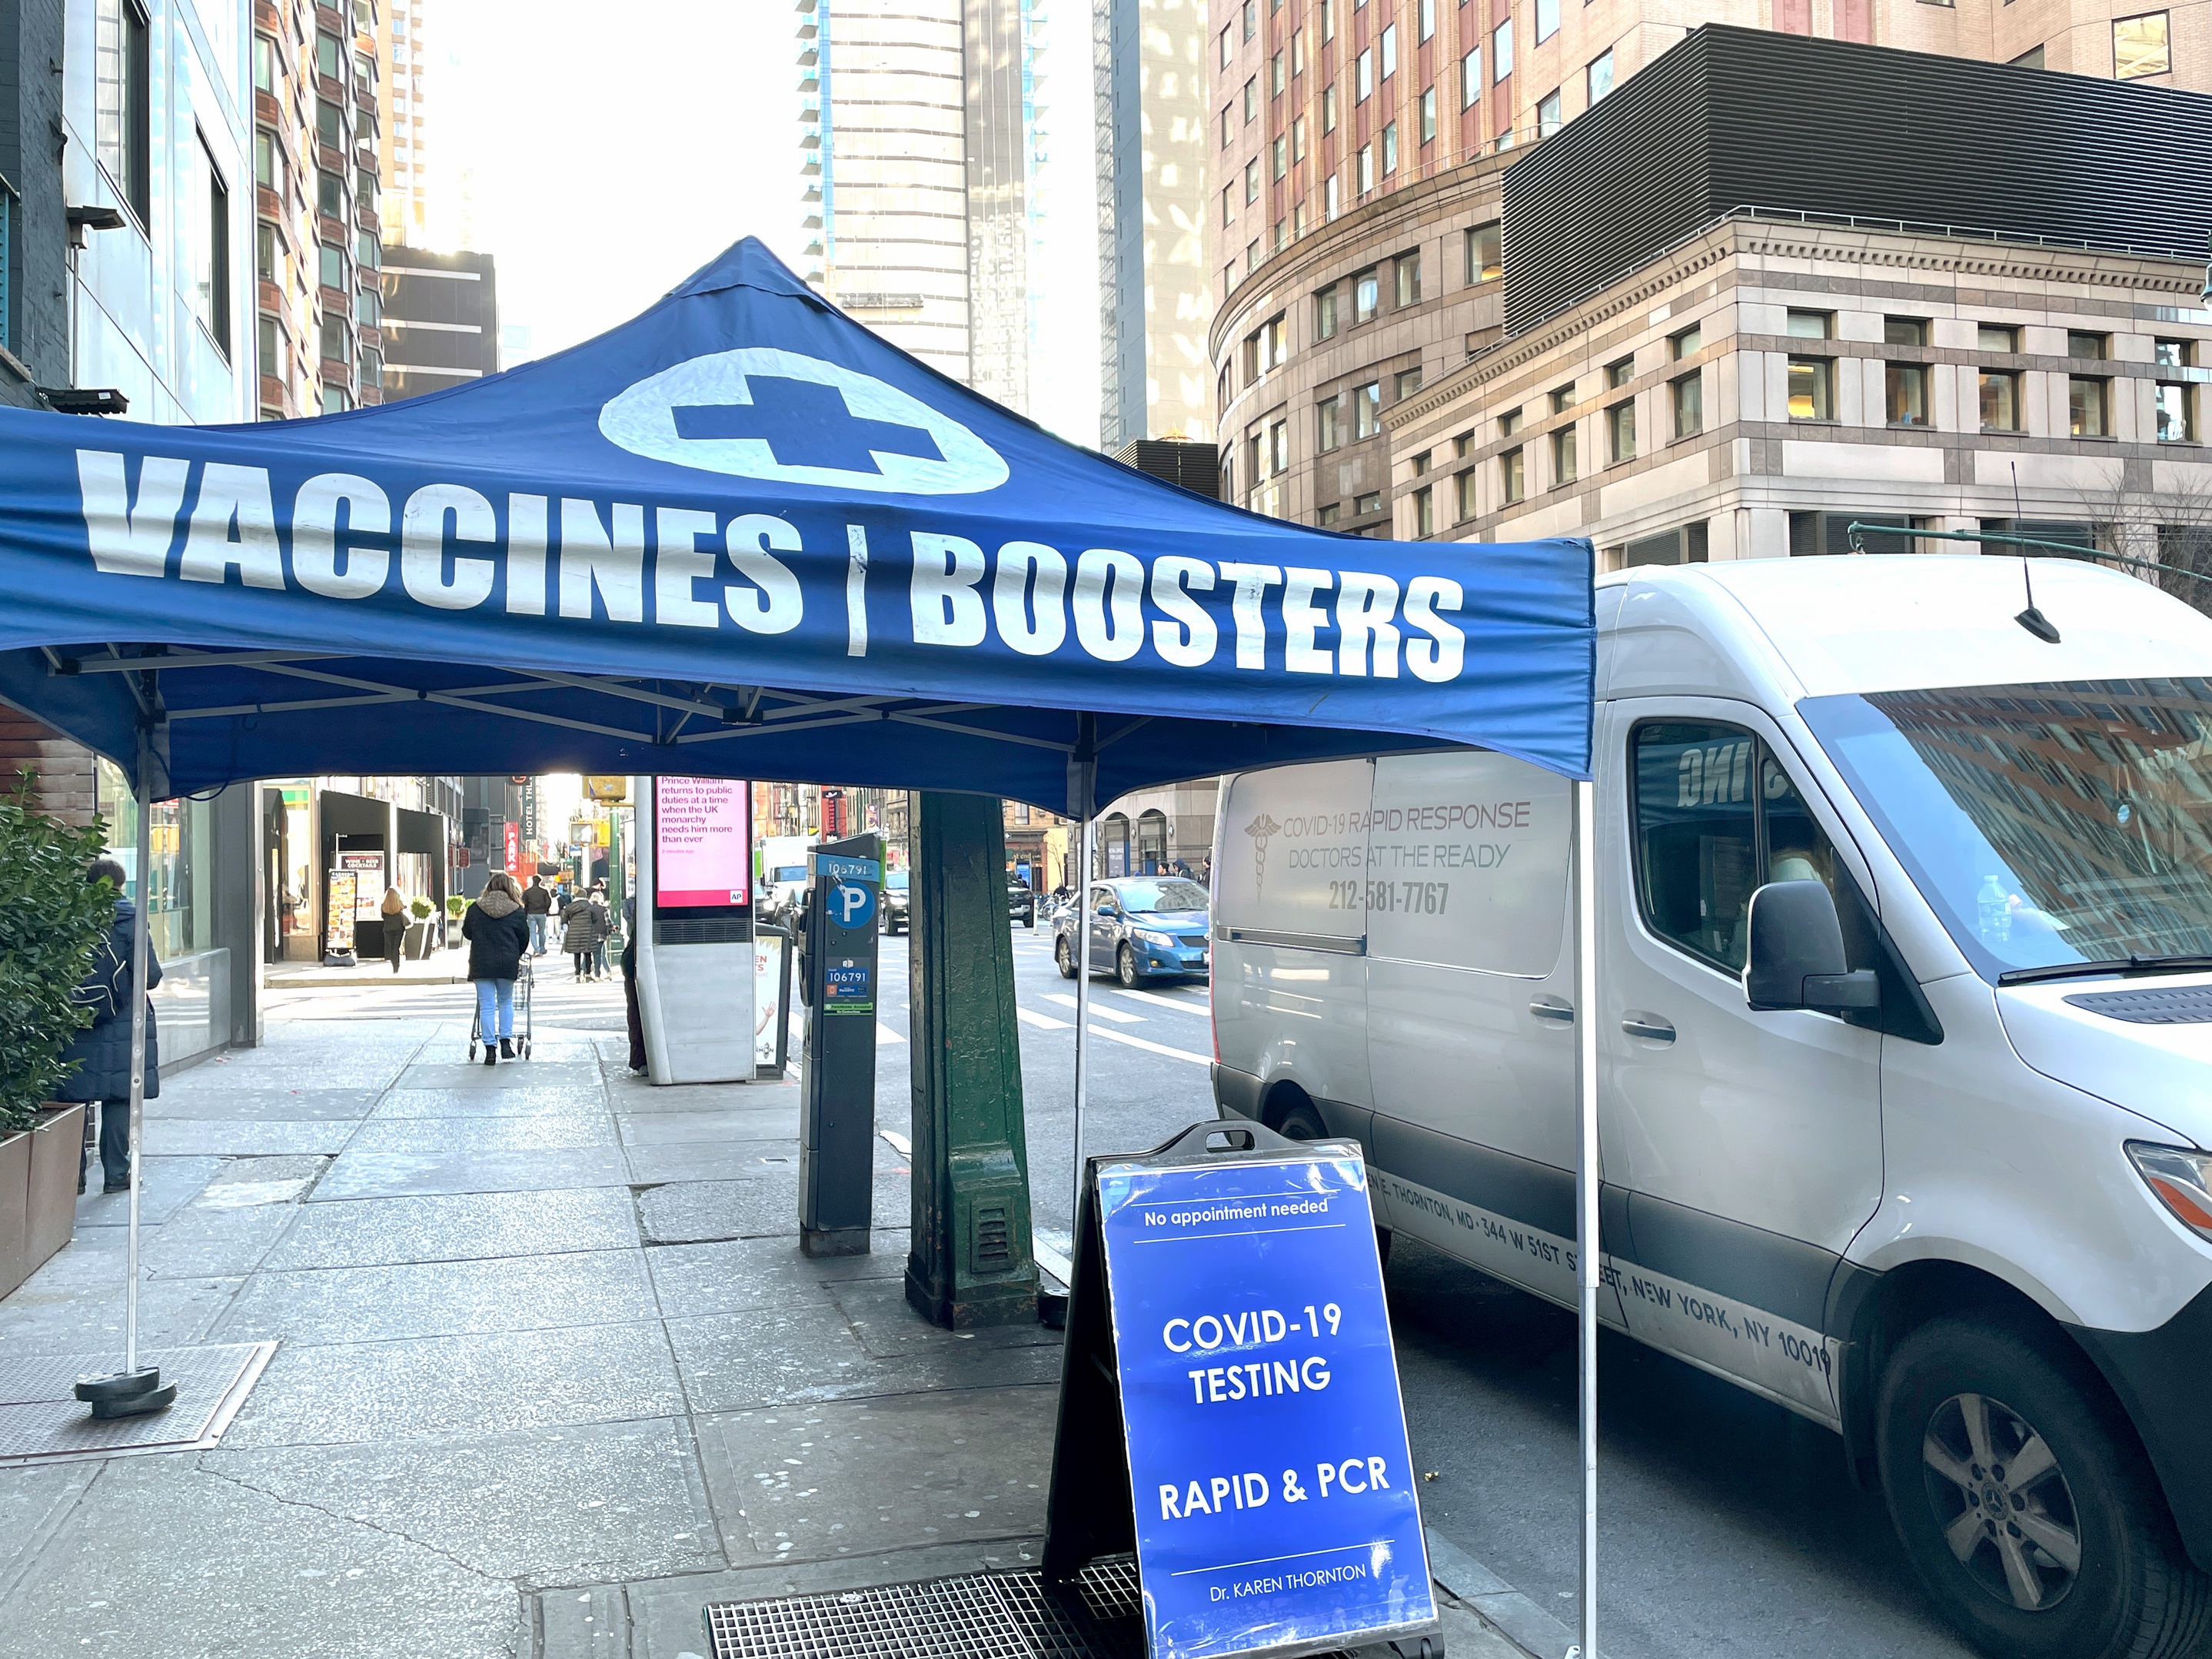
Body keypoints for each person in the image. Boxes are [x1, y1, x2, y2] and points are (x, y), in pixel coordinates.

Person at [53, 858, 161, 1195]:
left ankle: (74, 1176)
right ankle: (117, 1173)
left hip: (76, 1021)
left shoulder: (69, 919)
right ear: (120, 885)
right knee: (118, 1096)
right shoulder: (132, 918)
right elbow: (152, 975)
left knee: (74, 1097)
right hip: (124, 1021)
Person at [462, 871, 530, 1063]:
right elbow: (524, 937)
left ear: (489, 887)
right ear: (510, 888)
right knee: (506, 1002)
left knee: (487, 1006)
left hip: (481, 962)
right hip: (507, 962)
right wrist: (515, 953)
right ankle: (506, 1043)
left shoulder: (476, 908)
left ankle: (490, 1048)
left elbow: (467, 932)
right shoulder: (516, 910)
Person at [560, 885, 607, 981]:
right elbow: (595, 919)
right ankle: (588, 974)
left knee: (576, 954)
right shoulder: (589, 906)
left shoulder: (570, 907)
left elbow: (564, 919)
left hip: (574, 932)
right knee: (587, 954)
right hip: (588, 932)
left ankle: (577, 975)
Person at [620, 896, 645, 1072]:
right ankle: (640, 1060)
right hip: (635, 968)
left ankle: (639, 1060)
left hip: (631, 966)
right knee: (637, 1014)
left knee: (636, 1015)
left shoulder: (632, 906)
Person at [379, 884, 407, 974]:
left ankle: (394, 964)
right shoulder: (399, 904)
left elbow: (383, 917)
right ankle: (396, 966)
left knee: (391, 948)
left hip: (388, 929)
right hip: (399, 928)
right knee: (396, 948)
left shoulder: (384, 905)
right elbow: (405, 909)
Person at [522, 873, 554, 955]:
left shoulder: (527, 892)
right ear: (540, 881)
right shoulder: (544, 891)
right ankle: (542, 948)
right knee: (542, 932)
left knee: (532, 932)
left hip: (531, 913)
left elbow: (524, 903)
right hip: (541, 913)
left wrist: (526, 912)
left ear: (533, 881)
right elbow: (548, 902)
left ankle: (536, 949)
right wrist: (546, 910)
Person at [590, 881, 614, 979]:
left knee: (594, 954)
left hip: (590, 935)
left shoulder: (588, 909)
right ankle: (599, 974)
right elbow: (608, 922)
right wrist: (612, 928)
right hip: (601, 935)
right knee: (600, 954)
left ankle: (588, 971)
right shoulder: (603, 909)